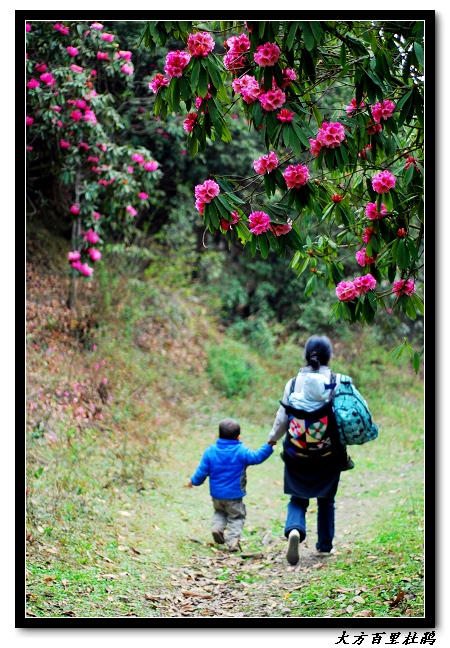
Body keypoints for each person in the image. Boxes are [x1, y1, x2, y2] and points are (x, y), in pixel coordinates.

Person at [268, 335, 352, 565]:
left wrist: (272, 439)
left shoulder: (293, 383)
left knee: (298, 497)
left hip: (297, 452)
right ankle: (325, 546)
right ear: (329, 356)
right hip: (328, 453)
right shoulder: (338, 381)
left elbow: (282, 418)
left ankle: (295, 530)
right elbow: (348, 415)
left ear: (306, 355)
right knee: (326, 500)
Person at [187, 418, 276, 552]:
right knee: (236, 516)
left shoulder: (211, 451)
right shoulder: (241, 451)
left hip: (217, 495)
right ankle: (233, 540)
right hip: (234, 495)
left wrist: (193, 481)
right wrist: (269, 446)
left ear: (219, 435)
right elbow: (257, 457)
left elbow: (201, 471)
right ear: (238, 436)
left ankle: (217, 528)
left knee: (220, 512)